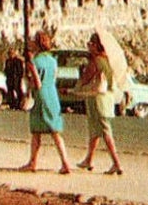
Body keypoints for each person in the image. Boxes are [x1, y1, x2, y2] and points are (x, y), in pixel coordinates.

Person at [20, 30, 70, 174]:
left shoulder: (35, 62)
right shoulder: (53, 61)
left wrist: (29, 76)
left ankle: (33, 162)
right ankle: (65, 162)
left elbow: (37, 83)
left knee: (36, 132)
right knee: (55, 132)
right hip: (52, 95)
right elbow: (53, 78)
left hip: (41, 96)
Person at [75, 32, 124, 175]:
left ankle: (116, 163)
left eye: (90, 44)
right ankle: (88, 159)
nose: (88, 47)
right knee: (95, 130)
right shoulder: (108, 61)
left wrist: (75, 89)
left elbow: (85, 79)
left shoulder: (95, 62)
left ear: (96, 46)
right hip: (107, 98)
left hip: (96, 99)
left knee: (104, 130)